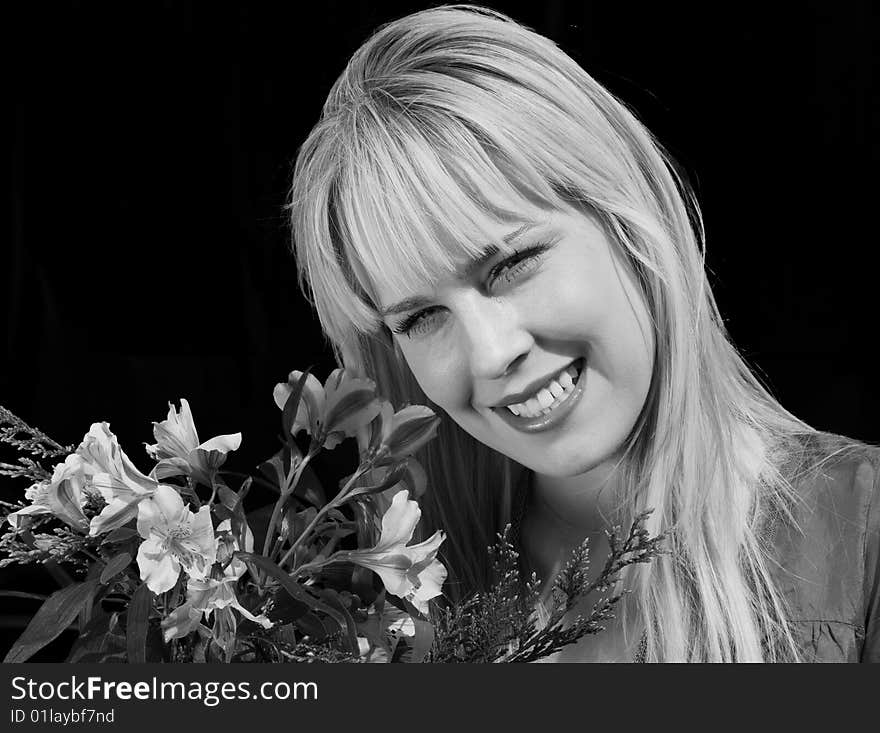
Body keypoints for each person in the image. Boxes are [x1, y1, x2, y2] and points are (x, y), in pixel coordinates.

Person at [287, 5, 879, 662]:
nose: (491, 351)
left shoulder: (863, 539)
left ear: (627, 221)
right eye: (422, 317)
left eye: (514, 263)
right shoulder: (401, 611)